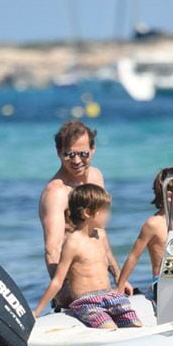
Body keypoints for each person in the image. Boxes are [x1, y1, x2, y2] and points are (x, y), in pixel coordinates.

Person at [38, 120, 131, 307]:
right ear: (58, 152)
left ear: (93, 149)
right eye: (69, 154)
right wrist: (64, 295)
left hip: (100, 285)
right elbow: (52, 249)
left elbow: (99, 234)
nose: (77, 161)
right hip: (75, 293)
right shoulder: (56, 193)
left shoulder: (96, 177)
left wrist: (119, 278)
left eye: (83, 154)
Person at [34, 184, 142, 329]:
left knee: (136, 325)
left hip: (110, 296)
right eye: (104, 211)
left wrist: (120, 282)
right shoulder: (72, 243)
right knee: (110, 329)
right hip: (87, 301)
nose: (108, 215)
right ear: (87, 213)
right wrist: (37, 311)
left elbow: (109, 258)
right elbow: (58, 280)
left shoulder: (100, 234)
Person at [116, 167, 173, 300]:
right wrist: (119, 287)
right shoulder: (154, 224)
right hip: (164, 281)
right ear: (171, 196)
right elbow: (133, 256)